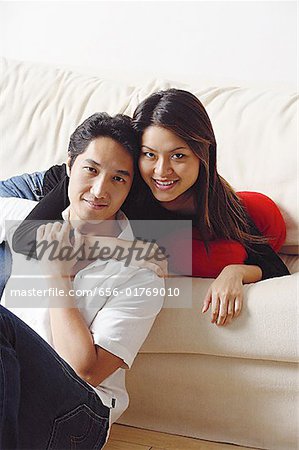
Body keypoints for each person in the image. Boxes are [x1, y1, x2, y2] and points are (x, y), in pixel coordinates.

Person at [1, 89, 289, 327]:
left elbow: (276, 270)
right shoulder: (120, 180)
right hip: (35, 193)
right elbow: (25, 237)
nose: (161, 171)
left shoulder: (222, 205)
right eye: (149, 154)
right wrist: (128, 250)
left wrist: (234, 272)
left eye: (178, 155)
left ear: (203, 155)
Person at [0, 113, 164, 449]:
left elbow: (84, 371)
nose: (100, 190)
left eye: (119, 179)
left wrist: (57, 274)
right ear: (70, 166)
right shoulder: (31, 228)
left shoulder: (141, 273)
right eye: (91, 170)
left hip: (79, 417)